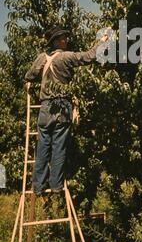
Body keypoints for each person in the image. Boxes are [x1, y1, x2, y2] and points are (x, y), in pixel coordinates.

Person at [25, 26, 108, 195]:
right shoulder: (66, 57)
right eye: (63, 38)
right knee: (59, 147)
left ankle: (38, 187)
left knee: (43, 146)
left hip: (45, 107)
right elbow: (89, 56)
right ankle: (56, 186)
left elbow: (29, 76)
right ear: (56, 41)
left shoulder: (42, 58)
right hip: (62, 106)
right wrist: (102, 42)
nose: (66, 40)